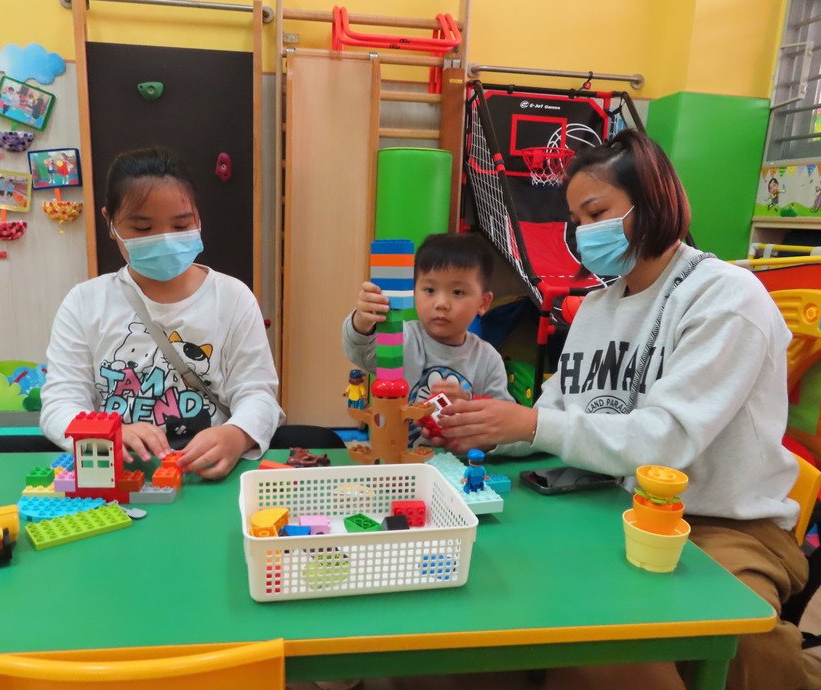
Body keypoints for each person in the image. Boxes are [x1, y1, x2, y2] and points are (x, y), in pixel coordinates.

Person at [433, 129, 821, 690]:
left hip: (722, 524)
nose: (584, 233)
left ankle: (791, 680)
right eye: (576, 221)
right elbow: (557, 413)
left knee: (700, 642)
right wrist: (487, 428)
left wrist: (532, 424)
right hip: (614, 506)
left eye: (596, 213)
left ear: (655, 201)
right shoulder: (597, 306)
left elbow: (666, 441)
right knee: (542, 608)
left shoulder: (725, 297)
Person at [40, 146, 283, 479]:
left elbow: (258, 394)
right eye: (143, 229)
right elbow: (59, 404)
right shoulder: (84, 303)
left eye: (181, 225)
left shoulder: (232, 297)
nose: (165, 240)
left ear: (198, 217)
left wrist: (237, 435)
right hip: (118, 477)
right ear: (109, 221)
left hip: (206, 474)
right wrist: (106, 433)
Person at [342, 232, 512, 425]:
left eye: (458, 292)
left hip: (461, 445)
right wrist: (362, 321)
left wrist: (469, 406)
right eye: (430, 290)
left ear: (483, 302)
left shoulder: (488, 361)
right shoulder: (401, 337)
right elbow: (360, 351)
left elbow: (503, 422)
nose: (441, 304)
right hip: (395, 443)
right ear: (414, 291)